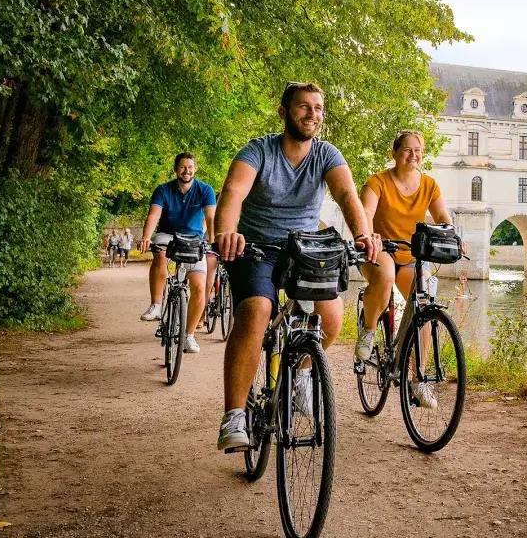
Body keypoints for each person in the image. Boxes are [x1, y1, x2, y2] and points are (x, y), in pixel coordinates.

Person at [212, 81, 380, 452]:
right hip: (255, 248)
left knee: (332, 319)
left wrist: (363, 234)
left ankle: (302, 376)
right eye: (304, 107)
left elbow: (347, 195)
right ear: (284, 112)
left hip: (304, 251)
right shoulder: (259, 150)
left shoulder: (326, 155)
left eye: (318, 109)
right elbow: (234, 192)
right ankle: (234, 415)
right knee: (257, 310)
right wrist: (226, 232)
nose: (313, 115)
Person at [355, 129, 464, 410]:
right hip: (379, 249)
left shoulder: (429, 185)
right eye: (407, 149)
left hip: (412, 254)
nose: (413, 155)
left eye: (418, 150)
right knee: (386, 274)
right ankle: (368, 329)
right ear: (394, 152)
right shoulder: (377, 182)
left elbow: (443, 219)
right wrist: (368, 234)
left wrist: (454, 238)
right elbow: (365, 213)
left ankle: (418, 379)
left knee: (425, 307)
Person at [138, 153, 218, 356]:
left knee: (200, 286)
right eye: (182, 167)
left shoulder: (205, 190)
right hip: (168, 235)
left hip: (193, 239)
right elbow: (154, 214)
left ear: (195, 169)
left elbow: (210, 217)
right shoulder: (163, 190)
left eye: (190, 167)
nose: (186, 171)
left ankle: (189, 335)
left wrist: (214, 242)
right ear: (176, 170)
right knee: (160, 253)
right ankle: (156, 305)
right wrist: (146, 237)